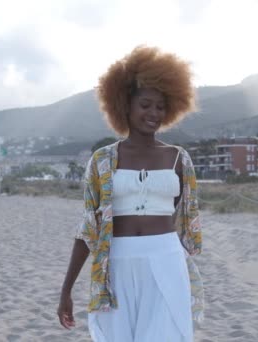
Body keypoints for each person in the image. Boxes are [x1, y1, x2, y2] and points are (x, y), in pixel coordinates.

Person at [57, 46, 204, 341]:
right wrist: (66, 289)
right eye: (146, 104)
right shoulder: (102, 159)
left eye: (160, 107)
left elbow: (185, 217)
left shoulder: (178, 158)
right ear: (125, 105)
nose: (153, 113)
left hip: (166, 260)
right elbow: (89, 227)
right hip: (117, 264)